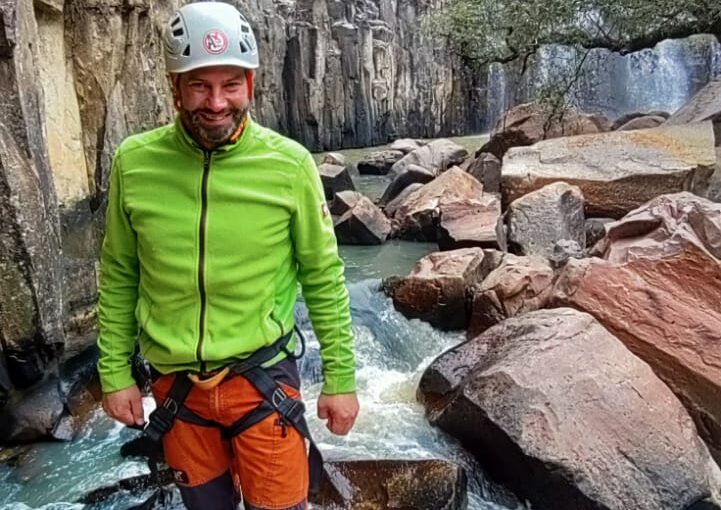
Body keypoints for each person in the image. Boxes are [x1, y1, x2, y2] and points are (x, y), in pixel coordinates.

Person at [96, 2, 359, 509]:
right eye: (199, 85)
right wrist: (114, 374)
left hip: (262, 384)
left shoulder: (288, 166)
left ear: (251, 85)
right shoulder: (134, 163)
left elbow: (323, 277)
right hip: (177, 391)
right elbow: (120, 273)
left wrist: (341, 380)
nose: (216, 103)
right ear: (175, 87)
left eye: (230, 85)